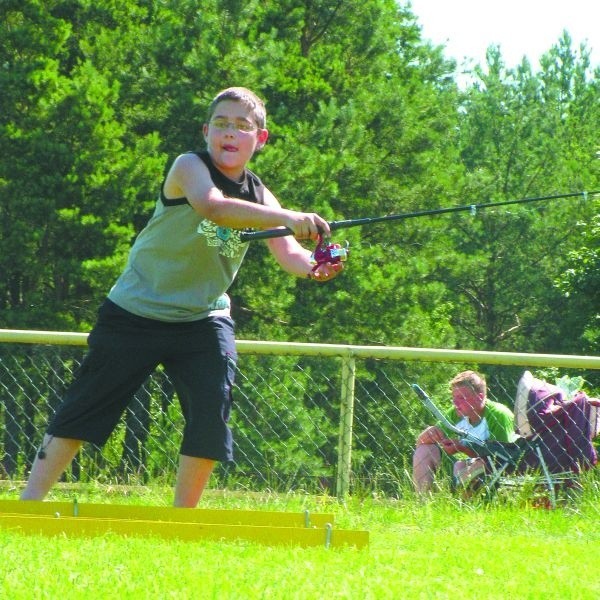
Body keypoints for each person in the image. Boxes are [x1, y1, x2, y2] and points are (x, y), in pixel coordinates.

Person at [20, 87, 344, 507]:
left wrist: (315, 269)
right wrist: (288, 218)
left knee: (211, 415)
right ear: (206, 131)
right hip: (135, 312)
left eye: (242, 126)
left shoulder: (260, 195)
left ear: (259, 140)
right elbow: (213, 207)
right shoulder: (190, 166)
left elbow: (290, 254)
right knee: (82, 411)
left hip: (203, 319)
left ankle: (182, 520)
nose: (230, 133)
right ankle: (28, 507)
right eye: (222, 124)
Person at [412, 370, 516, 494]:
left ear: (480, 397)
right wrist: (428, 434)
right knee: (424, 450)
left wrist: (463, 448)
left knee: (462, 466)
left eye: (461, 398)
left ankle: (465, 504)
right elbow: (420, 443)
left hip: (491, 473)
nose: (455, 403)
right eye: (454, 398)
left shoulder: (499, 415)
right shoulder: (457, 412)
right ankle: (424, 503)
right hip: (462, 469)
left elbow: (502, 459)